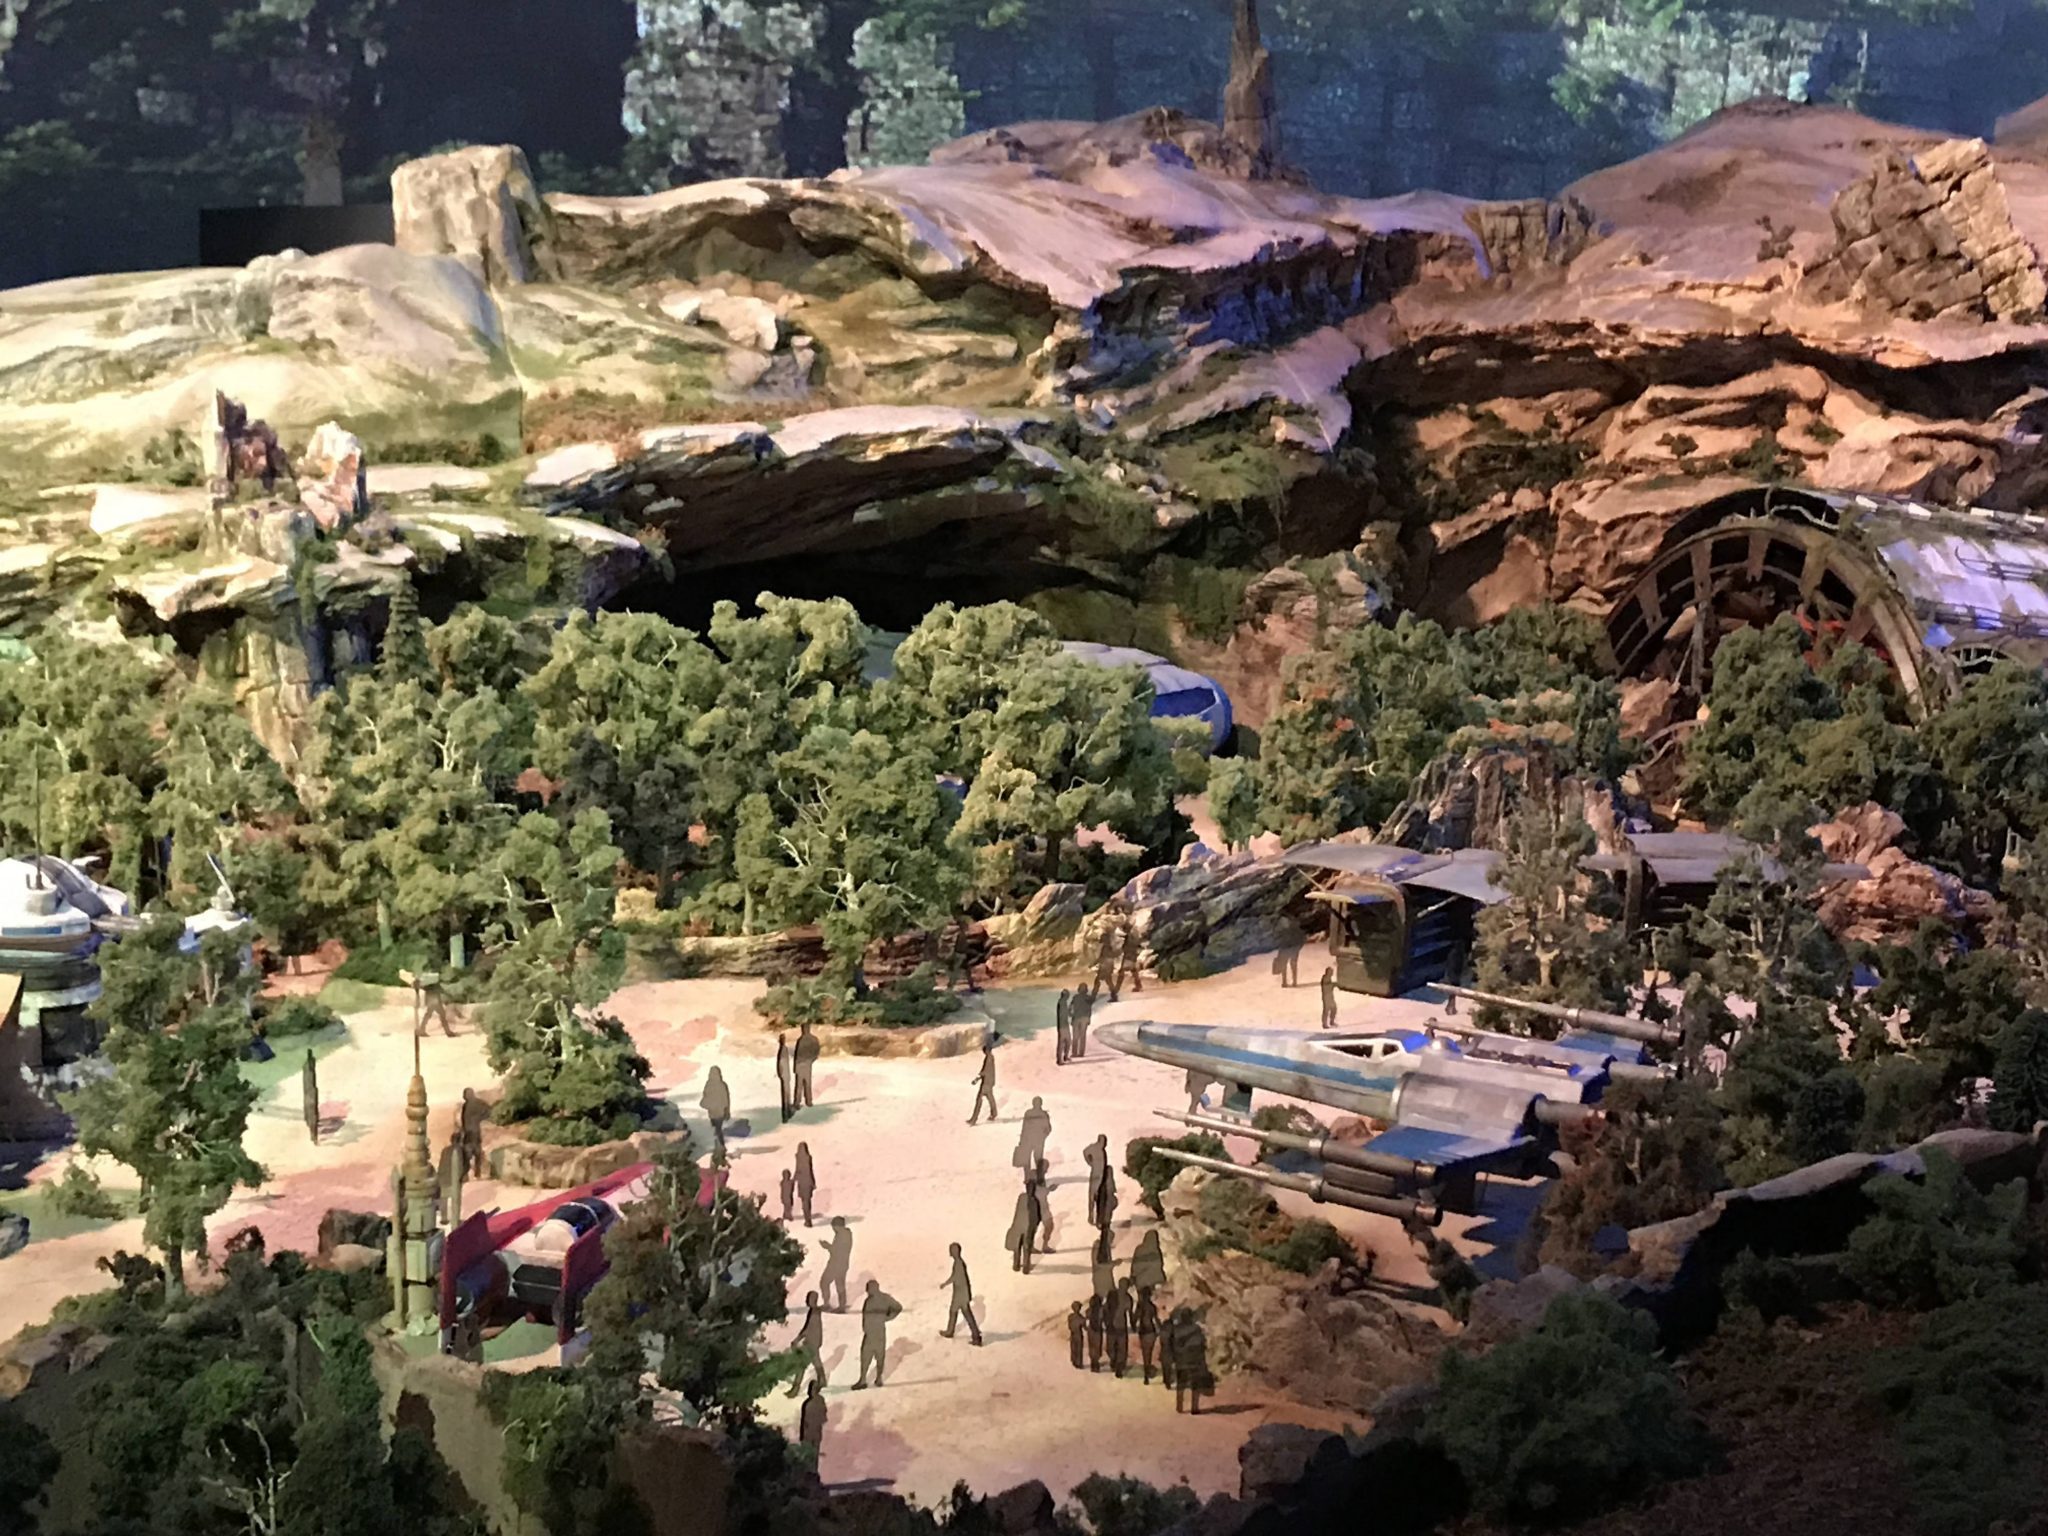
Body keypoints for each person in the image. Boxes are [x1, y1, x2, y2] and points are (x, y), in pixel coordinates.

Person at [853, 1279, 901, 1389]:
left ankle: (878, 1378)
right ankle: (863, 1380)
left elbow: (898, 1307)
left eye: (869, 1289)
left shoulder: (885, 1298)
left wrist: (887, 1317)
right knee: (865, 1356)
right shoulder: (868, 1300)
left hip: (878, 1332)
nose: (867, 1291)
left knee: (879, 1356)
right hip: (869, 1333)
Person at [1169, 1308, 1212, 1414]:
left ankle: (1179, 1407)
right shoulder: (1196, 1329)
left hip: (1181, 1361)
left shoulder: (1176, 1330)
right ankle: (1194, 1408)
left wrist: (1173, 1358)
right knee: (1195, 1385)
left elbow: (1171, 1345)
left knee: (1181, 1384)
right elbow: (1201, 1345)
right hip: (1194, 1361)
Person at [940, 1242, 983, 1345]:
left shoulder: (959, 1264)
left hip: (961, 1294)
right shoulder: (959, 1263)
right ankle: (975, 1336)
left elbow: (955, 1277)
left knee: (958, 1312)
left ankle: (974, 1336)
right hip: (961, 1293)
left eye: (951, 1250)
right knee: (962, 1313)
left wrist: (945, 1284)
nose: (950, 1252)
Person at [789, 1291, 826, 1395]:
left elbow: (807, 1329)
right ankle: (822, 1380)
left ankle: (796, 1388)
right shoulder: (814, 1311)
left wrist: (797, 1340)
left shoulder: (814, 1312)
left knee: (801, 1364)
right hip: (813, 1342)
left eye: (809, 1298)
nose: (807, 1300)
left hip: (811, 1343)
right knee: (816, 1362)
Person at [818, 1216, 853, 1312]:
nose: (833, 1229)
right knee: (840, 1284)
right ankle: (841, 1306)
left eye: (834, 1226)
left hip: (836, 1263)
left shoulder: (842, 1236)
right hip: (842, 1264)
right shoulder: (845, 1234)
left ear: (838, 1226)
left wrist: (827, 1246)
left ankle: (828, 1304)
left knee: (824, 1282)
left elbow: (837, 1251)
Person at [1007, 1183, 1040, 1273]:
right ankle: (1026, 1267)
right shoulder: (1034, 1201)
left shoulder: (1021, 1198)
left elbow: (1017, 1212)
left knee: (1017, 1247)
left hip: (1019, 1225)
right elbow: (1036, 1217)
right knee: (1026, 1247)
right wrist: (1034, 1227)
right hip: (1028, 1228)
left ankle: (1016, 1265)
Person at [700, 1065, 732, 1159]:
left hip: (712, 1112)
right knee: (718, 1129)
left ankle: (719, 1146)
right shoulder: (722, 1085)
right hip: (720, 1111)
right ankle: (720, 1146)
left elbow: (705, 1095)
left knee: (716, 1129)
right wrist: (727, 1110)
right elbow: (726, 1099)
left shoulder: (708, 1084)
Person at [1013, 1096, 1053, 1170]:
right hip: (1038, 1141)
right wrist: (1042, 1137)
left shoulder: (1028, 1113)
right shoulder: (1043, 1114)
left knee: (1026, 1159)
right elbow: (1048, 1129)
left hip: (1028, 1140)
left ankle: (1027, 1175)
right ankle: (1039, 1175)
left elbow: (1024, 1128)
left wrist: (1022, 1140)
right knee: (1038, 1159)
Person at [459, 1087, 489, 1179]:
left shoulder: (475, 1104)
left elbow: (488, 1111)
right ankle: (476, 1173)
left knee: (469, 1153)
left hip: (471, 1132)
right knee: (476, 1153)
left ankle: (468, 1174)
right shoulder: (470, 1104)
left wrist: (479, 1118)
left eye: (465, 1094)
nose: (463, 1096)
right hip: (473, 1131)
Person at [1133, 1287, 1161, 1384]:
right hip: (1151, 1331)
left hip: (1144, 1331)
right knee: (1149, 1352)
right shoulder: (1152, 1306)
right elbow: (1156, 1319)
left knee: (1146, 1354)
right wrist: (1161, 1328)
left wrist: (1133, 1326)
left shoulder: (1140, 1306)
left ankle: (1146, 1374)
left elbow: (1135, 1318)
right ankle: (1147, 1372)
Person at [1106, 1278, 1133, 1377]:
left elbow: (1106, 1308)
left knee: (1115, 1346)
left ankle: (1117, 1364)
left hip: (1115, 1325)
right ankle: (1117, 1364)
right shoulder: (1126, 1298)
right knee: (1119, 1347)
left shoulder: (1113, 1295)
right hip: (1118, 1325)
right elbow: (1130, 1313)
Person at [968, 1040, 998, 1125]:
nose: (984, 1052)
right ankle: (994, 1113)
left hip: (986, 1083)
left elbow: (985, 1071)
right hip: (989, 1082)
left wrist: (977, 1078)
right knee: (990, 1098)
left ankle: (974, 1119)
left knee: (979, 1100)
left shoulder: (989, 1058)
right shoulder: (990, 1057)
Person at [793, 1021, 820, 1110]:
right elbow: (817, 1052)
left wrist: (795, 1067)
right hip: (808, 1064)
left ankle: (797, 1102)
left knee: (799, 1085)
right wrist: (811, 1060)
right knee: (807, 1083)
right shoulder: (814, 1039)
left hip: (800, 1064)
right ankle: (809, 1101)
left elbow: (797, 1054)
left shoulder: (800, 1040)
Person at [1115, 924, 1144, 998]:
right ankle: (1139, 986)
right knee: (1134, 971)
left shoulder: (1129, 936)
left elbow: (1121, 936)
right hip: (1133, 954)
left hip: (1128, 955)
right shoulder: (1134, 935)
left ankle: (1117, 988)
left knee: (1122, 971)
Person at [798, 1377, 827, 1450]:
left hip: (815, 1431)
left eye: (815, 1389)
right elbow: (804, 1421)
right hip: (808, 1432)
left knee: (814, 1448)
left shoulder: (819, 1400)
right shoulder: (808, 1403)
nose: (812, 1391)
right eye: (812, 1389)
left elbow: (823, 1414)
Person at [1090, 1225, 1116, 1299]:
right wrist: (1113, 1264)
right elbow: (1097, 1263)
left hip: (1106, 1277)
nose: (1111, 1242)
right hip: (1100, 1277)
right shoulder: (1098, 1245)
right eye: (1110, 1239)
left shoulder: (1106, 1247)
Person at [795, 1142, 817, 1226]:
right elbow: (810, 1171)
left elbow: (797, 1170)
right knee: (807, 1202)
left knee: (804, 1202)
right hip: (808, 1182)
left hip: (801, 1182)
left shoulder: (798, 1157)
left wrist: (792, 1180)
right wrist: (813, 1182)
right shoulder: (808, 1158)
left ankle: (807, 1219)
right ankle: (808, 1220)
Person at [301, 1050, 320, 1144]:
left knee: (311, 1114)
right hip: (311, 1094)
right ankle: (314, 1136)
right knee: (313, 1115)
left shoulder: (305, 1068)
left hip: (309, 1094)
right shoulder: (309, 1070)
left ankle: (313, 1135)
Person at [776, 1032, 794, 1123]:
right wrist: (781, 1074)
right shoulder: (782, 1050)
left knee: (787, 1095)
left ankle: (787, 1112)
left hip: (785, 1075)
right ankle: (786, 1115)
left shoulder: (783, 1049)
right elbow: (781, 1064)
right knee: (785, 1096)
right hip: (785, 1075)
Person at [1071, 986, 1093, 1059]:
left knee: (1075, 1036)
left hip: (1076, 1018)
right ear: (1086, 990)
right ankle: (1081, 1053)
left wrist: (1071, 1015)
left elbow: (1071, 1008)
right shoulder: (1088, 998)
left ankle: (1074, 1053)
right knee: (1082, 1036)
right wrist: (1089, 1018)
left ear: (1078, 990)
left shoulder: (1075, 997)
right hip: (1085, 1018)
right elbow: (1090, 1010)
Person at [1085, 1292, 1105, 1371]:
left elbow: (1087, 1317)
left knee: (1092, 1345)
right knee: (1097, 1346)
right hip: (1098, 1329)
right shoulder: (1101, 1310)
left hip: (1091, 1329)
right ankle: (1096, 1362)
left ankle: (1093, 1361)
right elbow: (1103, 1318)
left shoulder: (1089, 1310)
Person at [1054, 989, 1071, 1066]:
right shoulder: (1061, 1003)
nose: (1068, 996)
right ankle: (1059, 1060)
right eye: (1067, 995)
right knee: (1061, 1043)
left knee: (1068, 1042)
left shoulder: (1063, 1002)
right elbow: (1063, 1014)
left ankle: (1065, 1057)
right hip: (1062, 1026)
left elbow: (1066, 1014)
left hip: (1065, 1025)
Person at [1067, 1301, 1087, 1370]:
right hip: (1077, 1334)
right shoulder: (1081, 1318)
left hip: (1075, 1334)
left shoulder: (1070, 1317)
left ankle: (1076, 1361)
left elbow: (1069, 1326)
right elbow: (1085, 1328)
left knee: (1075, 1348)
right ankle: (1077, 1362)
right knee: (1077, 1348)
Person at [1320, 966, 1339, 1031]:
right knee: (1326, 1010)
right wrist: (1333, 985)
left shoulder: (1328, 978)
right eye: (1331, 972)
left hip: (1330, 996)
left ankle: (1331, 1021)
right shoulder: (1325, 978)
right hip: (1326, 997)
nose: (1332, 973)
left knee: (1334, 1009)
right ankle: (1324, 1024)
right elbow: (1326, 986)